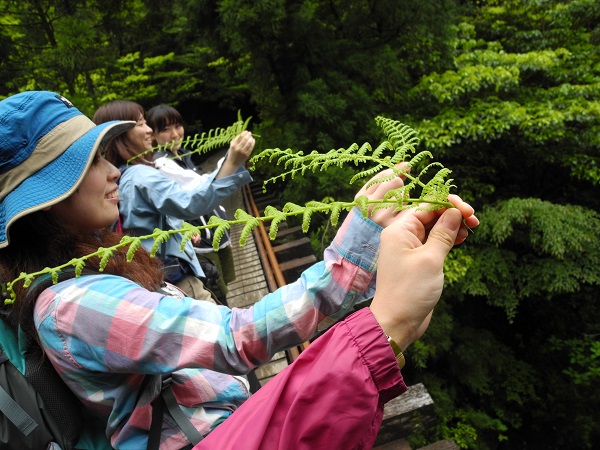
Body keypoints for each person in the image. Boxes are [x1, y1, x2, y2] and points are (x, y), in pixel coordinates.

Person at [0, 91, 478, 449]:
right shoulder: (72, 304)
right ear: (41, 203)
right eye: (87, 163)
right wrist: (356, 256)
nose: (112, 172)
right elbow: (235, 337)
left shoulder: (89, 272)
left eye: (106, 156)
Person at [93, 100, 254, 303]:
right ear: (121, 133)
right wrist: (232, 162)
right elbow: (192, 202)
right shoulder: (140, 175)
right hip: (179, 280)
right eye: (141, 123)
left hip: (158, 280)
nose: (149, 130)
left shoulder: (119, 178)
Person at [146, 104, 236, 306]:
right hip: (201, 241)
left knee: (225, 285)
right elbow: (200, 186)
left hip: (216, 233)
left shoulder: (183, 156)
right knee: (217, 289)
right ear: (153, 136)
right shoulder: (161, 164)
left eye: (177, 126)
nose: (175, 134)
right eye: (166, 129)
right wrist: (232, 158)